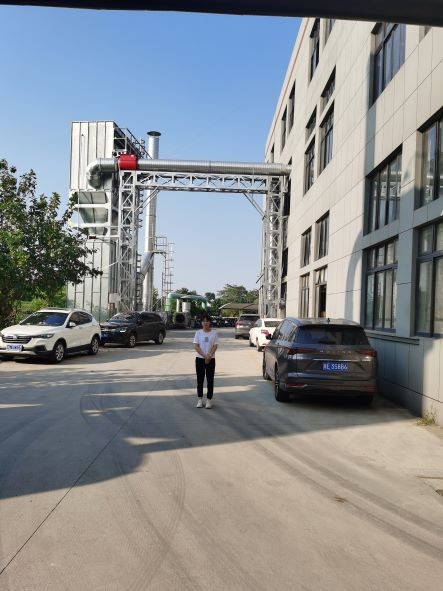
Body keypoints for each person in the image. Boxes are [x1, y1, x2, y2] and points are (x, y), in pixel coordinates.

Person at [193, 314, 218, 409]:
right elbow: (196, 346)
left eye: (207, 321)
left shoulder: (214, 333)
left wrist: (209, 356)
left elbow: (215, 346)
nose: (205, 323)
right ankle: (200, 399)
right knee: (200, 380)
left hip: (211, 359)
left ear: (210, 322)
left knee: (210, 380)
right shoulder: (198, 333)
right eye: (203, 321)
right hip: (200, 359)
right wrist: (204, 356)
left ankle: (208, 400)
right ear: (201, 323)